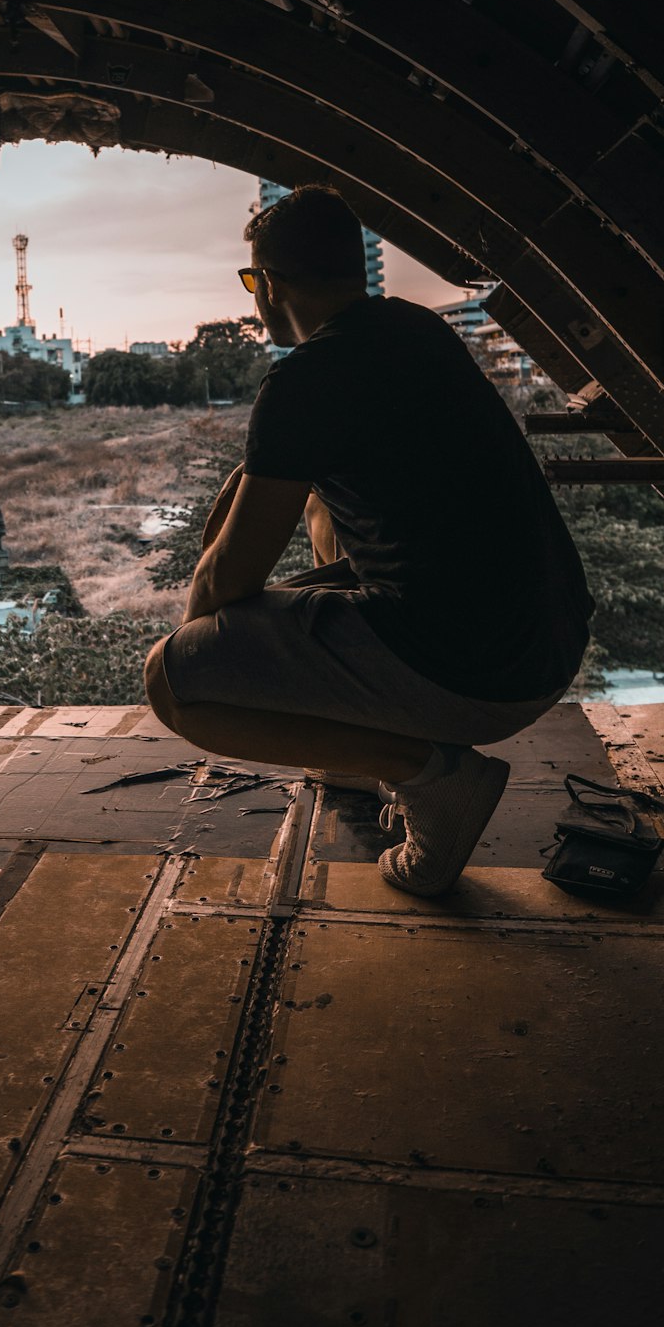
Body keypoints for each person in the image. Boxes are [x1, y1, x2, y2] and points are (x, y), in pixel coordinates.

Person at [144, 184, 592, 896]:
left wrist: (210, 632)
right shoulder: (419, 332)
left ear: (268, 285)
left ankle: (434, 778)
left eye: (251, 280)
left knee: (174, 680)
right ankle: (369, 745)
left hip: (479, 675)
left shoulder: (306, 382)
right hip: (548, 643)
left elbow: (227, 578)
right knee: (316, 525)